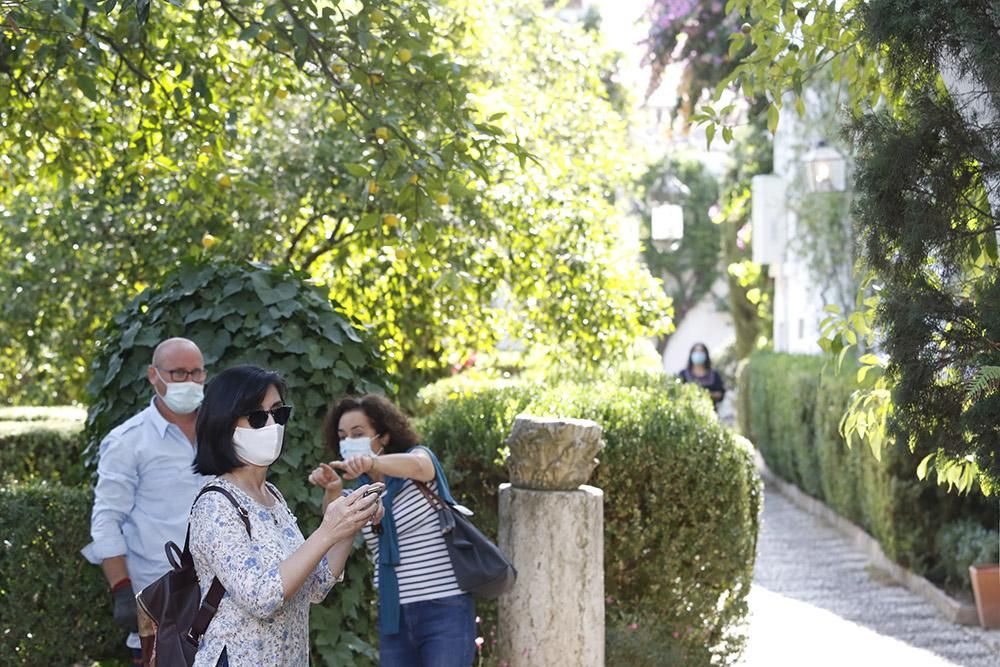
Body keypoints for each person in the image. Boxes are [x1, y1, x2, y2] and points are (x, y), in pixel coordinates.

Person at [189, 365, 383, 666]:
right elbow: (262, 597)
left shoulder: (273, 495)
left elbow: (315, 585)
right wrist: (328, 531)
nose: (272, 425)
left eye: (277, 413)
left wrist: (350, 521)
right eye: (257, 417)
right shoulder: (215, 503)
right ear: (224, 424)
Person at [308, 395, 476, 667]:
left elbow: (423, 467)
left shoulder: (416, 461)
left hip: (445, 609)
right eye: (342, 436)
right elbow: (333, 523)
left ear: (383, 436)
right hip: (393, 615)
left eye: (358, 433)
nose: (349, 441)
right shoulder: (361, 490)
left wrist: (373, 463)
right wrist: (333, 489)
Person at [82, 337, 209, 664]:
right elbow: (107, 520)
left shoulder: (220, 433)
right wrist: (122, 590)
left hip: (223, 599)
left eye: (197, 373)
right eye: (178, 373)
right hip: (159, 605)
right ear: (154, 375)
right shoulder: (128, 441)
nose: (190, 382)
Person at [678, 342, 726, 409]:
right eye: (696, 351)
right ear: (691, 354)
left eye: (701, 351)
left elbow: (721, 394)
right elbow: (678, 393)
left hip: (710, 412)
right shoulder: (683, 374)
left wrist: (707, 394)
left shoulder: (714, 374)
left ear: (706, 355)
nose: (698, 354)